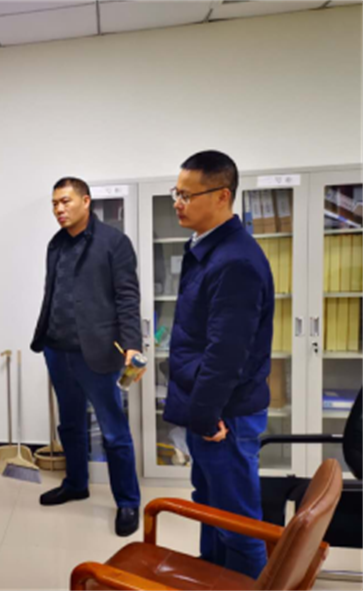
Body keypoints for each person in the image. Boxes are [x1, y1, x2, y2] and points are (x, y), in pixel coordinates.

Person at [164, 151, 274, 578]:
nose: (178, 203)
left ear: (222, 196)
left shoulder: (235, 261)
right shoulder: (208, 249)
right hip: (207, 409)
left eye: (187, 195)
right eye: (176, 193)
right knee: (210, 510)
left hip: (224, 415)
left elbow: (227, 355)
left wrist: (207, 417)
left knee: (238, 527)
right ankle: (213, 580)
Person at [31, 177, 143, 537]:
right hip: (57, 348)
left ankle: (128, 502)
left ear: (86, 201)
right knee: (70, 423)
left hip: (97, 351)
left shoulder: (114, 242)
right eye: (54, 203)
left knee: (113, 431)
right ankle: (76, 483)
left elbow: (127, 297)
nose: (59, 209)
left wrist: (132, 344)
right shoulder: (56, 244)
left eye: (65, 201)